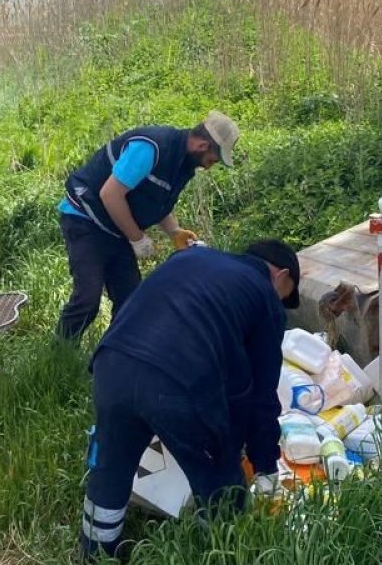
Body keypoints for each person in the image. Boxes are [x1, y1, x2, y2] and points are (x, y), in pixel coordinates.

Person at [79, 239, 301, 560]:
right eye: (286, 294)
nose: (280, 302)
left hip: (111, 363)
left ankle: (96, 553)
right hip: (176, 380)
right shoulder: (265, 296)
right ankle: (220, 552)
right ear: (280, 276)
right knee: (221, 481)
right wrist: (265, 464)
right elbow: (260, 395)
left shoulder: (193, 257)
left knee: (111, 464)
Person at [56, 111, 240, 340]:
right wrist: (137, 239)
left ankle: (114, 356)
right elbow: (111, 194)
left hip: (115, 227)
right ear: (202, 145)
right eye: (212, 160)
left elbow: (154, 199)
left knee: (131, 300)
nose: (209, 167)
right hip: (85, 217)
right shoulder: (152, 148)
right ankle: (60, 353)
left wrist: (174, 231)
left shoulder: (183, 165)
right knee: (88, 299)